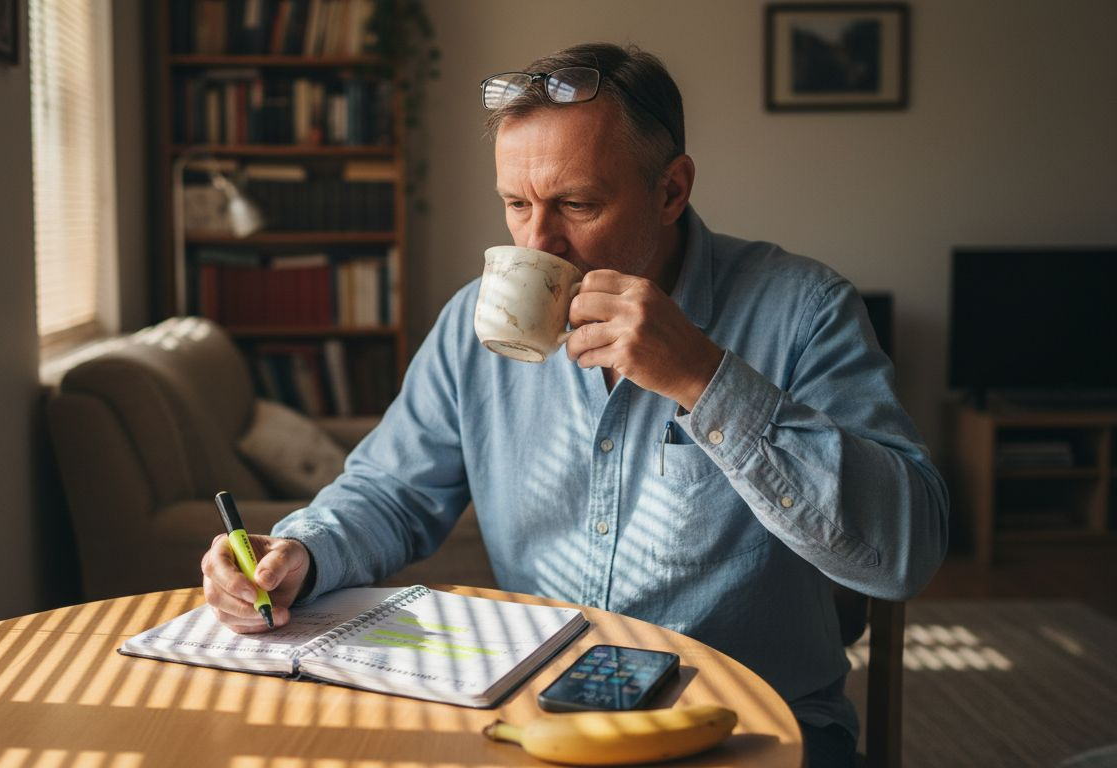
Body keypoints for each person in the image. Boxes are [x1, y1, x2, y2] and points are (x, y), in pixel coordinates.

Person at [202, 42, 948, 767]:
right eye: (515, 204)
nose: (538, 241)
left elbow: (905, 554)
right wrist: (298, 553)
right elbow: (389, 491)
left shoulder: (804, 310)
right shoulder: (473, 326)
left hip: (749, 729)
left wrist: (705, 379)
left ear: (671, 191)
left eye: (576, 204)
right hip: (538, 719)